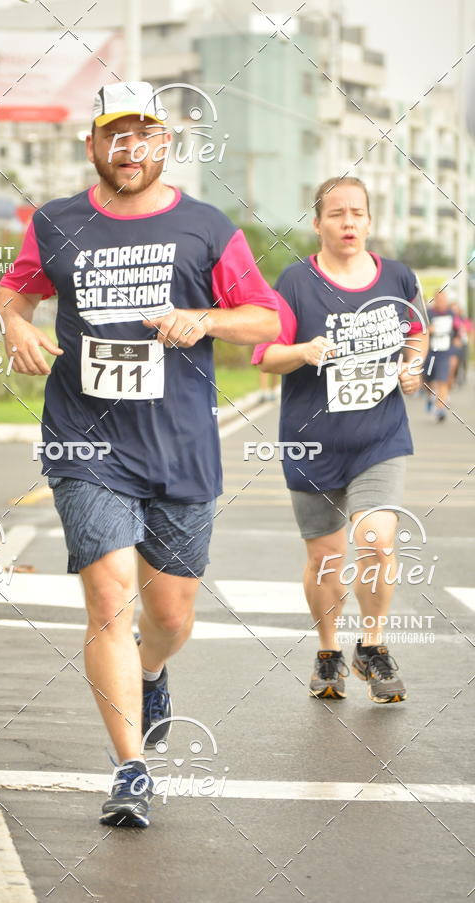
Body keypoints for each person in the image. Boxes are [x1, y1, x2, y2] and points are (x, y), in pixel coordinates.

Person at [0, 81, 281, 828]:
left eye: (144, 134)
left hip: (180, 445)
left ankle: (153, 669)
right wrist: (15, 325)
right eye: (115, 135)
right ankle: (131, 769)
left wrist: (203, 317)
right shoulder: (55, 222)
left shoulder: (206, 226)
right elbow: (14, 293)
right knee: (107, 598)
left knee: (171, 612)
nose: (130, 149)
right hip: (86, 440)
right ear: (93, 146)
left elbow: (266, 320)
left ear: (164, 145)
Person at [253, 176, 428, 705]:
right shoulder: (294, 281)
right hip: (312, 442)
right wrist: (302, 351)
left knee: (377, 540)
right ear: (318, 224)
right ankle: (329, 650)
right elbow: (264, 354)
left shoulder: (398, 277)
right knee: (326, 559)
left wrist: (413, 367)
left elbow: (416, 333)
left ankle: (372, 646)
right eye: (336, 214)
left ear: (370, 221)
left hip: (380, 437)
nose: (348, 222)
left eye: (357, 213)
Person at [424, 290, 456, 422]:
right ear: (435, 300)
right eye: (439, 299)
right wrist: (428, 330)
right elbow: (420, 330)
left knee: (442, 381)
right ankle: (431, 396)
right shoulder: (428, 313)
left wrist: (458, 340)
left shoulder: (451, 314)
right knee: (426, 380)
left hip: (445, 352)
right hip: (430, 353)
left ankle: (440, 410)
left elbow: (458, 329)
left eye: (444, 299)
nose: (442, 302)